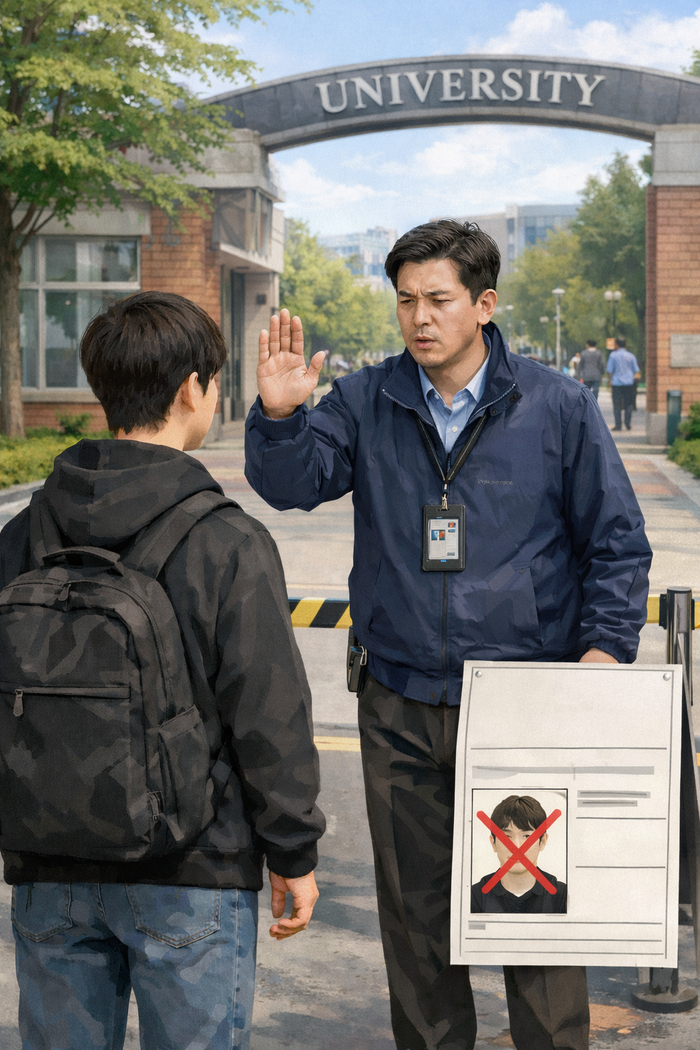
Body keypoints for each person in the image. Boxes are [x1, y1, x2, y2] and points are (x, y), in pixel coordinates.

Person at [244, 220, 651, 1050]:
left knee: (534, 923)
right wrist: (282, 417)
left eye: (437, 299)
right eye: (405, 301)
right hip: (400, 701)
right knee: (419, 930)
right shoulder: (368, 399)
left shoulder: (557, 406)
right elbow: (293, 486)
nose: (419, 318)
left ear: (484, 303)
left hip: (527, 710)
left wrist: (601, 657)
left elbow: (616, 544)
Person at [0, 292, 324, 1050]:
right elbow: (268, 713)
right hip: (190, 867)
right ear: (193, 389)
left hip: (49, 863)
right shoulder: (225, 541)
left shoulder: (26, 531)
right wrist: (294, 852)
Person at [471, 795, 567, 914]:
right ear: (493, 843)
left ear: (542, 842)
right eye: (506, 837)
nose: (517, 846)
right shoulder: (473, 896)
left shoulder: (563, 895)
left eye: (527, 836)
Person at [606, 336, 641, 431]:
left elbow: (609, 370)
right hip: (629, 384)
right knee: (628, 404)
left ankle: (618, 425)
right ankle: (627, 423)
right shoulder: (631, 356)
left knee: (616, 404)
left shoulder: (613, 355)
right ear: (625, 344)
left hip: (616, 383)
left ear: (616, 344)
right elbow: (636, 371)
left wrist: (610, 380)